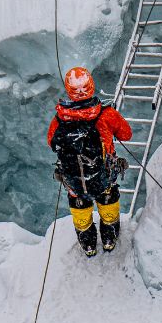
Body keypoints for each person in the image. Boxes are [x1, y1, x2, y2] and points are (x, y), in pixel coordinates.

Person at [46, 66, 132, 256]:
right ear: (91, 87)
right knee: (108, 207)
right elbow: (126, 134)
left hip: (74, 182)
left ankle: (89, 245)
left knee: (81, 214)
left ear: (69, 90)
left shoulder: (59, 120)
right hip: (103, 177)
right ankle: (109, 240)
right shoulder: (106, 115)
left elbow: (51, 142)